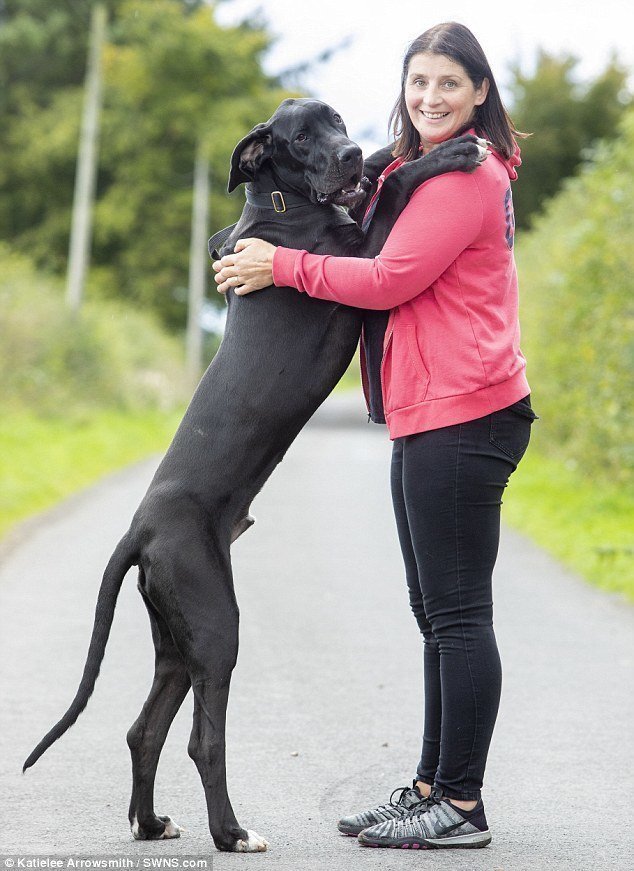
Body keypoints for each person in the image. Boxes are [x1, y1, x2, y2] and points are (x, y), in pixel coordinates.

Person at [213, 21, 537, 851]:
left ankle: (460, 805)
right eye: (418, 81)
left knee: (459, 617)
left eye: (448, 85)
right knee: (436, 616)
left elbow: (389, 279)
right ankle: (431, 785)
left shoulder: (467, 173)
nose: (430, 97)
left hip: (467, 412)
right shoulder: (412, 168)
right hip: (431, 410)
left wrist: (277, 267)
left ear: (480, 94)